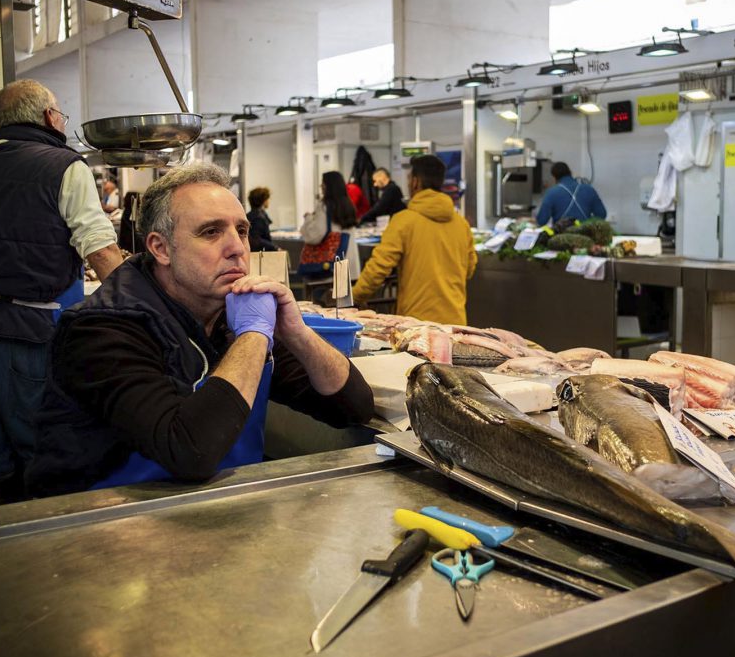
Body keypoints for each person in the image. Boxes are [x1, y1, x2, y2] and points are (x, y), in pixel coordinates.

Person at [25, 164, 374, 497]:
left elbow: (352, 407)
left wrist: (294, 331)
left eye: (241, 230)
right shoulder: (103, 329)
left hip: (217, 508)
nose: (236, 248)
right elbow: (188, 451)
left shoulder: (228, 312)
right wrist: (253, 336)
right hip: (104, 523)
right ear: (160, 248)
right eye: (211, 232)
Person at [0, 78, 124, 506]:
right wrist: (147, 299)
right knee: (41, 449)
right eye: (60, 111)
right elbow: (99, 247)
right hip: (23, 335)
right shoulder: (64, 165)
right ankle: (46, 554)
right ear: (48, 117)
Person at [351, 155, 477, 325]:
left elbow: (379, 267)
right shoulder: (462, 225)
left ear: (415, 182)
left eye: (409, 179)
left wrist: (356, 295)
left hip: (416, 324)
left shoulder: (403, 221)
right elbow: (469, 269)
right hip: (455, 323)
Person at [298, 170, 361, 282]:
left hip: (331, 266)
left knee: (325, 298)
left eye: (323, 183)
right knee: (346, 298)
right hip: (349, 262)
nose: (321, 186)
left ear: (328, 186)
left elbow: (315, 236)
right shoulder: (348, 204)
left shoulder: (324, 206)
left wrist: (308, 218)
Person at [535, 161, 608, 227]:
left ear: (554, 177)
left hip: (561, 238)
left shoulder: (552, 192)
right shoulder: (589, 189)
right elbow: (602, 214)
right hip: (586, 237)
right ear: (570, 172)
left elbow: (541, 221)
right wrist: (586, 223)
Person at [246, 186, 278, 252]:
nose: (269, 201)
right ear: (263, 200)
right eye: (268, 199)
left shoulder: (250, 215)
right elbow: (256, 239)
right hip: (260, 253)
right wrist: (274, 247)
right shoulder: (259, 218)